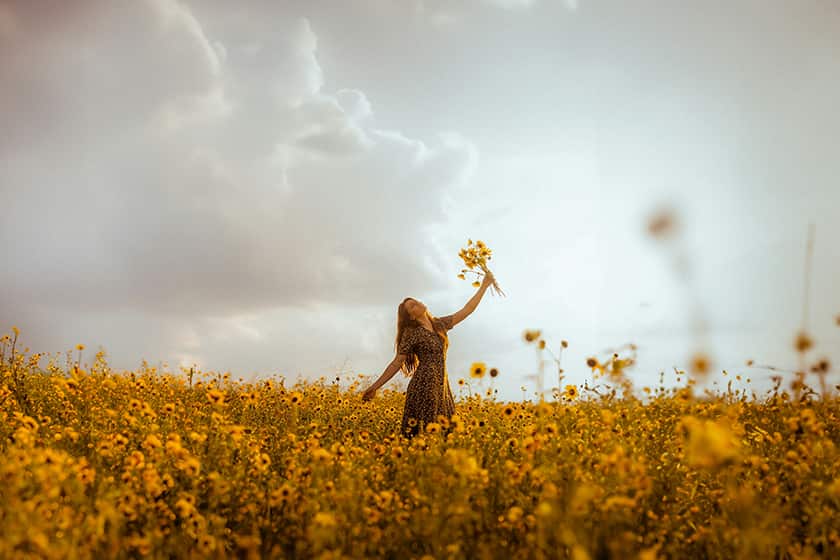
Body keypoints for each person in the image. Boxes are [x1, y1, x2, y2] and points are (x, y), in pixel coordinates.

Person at [361, 270, 495, 439]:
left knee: (446, 436)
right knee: (425, 437)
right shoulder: (412, 332)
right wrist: (375, 387)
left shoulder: (439, 324)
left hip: (442, 386)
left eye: (415, 301)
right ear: (411, 316)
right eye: (412, 306)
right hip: (424, 385)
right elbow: (397, 363)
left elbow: (467, 310)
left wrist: (484, 285)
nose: (417, 303)